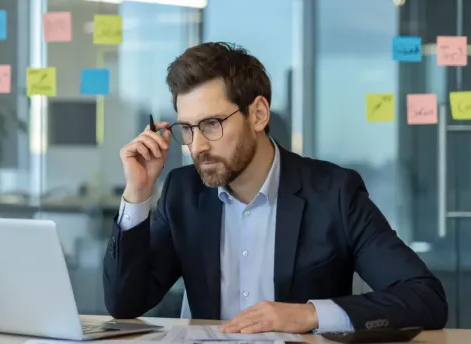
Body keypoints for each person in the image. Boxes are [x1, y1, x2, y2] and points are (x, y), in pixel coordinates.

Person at [103, 42, 448, 334]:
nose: (196, 147)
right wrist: (138, 192)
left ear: (258, 114)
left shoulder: (333, 193)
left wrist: (309, 314)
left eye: (211, 124)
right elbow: (125, 303)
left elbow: (425, 297)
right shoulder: (183, 192)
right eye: (188, 129)